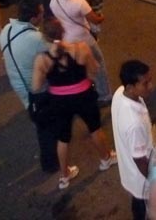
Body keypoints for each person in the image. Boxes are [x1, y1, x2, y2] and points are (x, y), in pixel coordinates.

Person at [31, 19, 117, 190]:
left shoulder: (42, 59)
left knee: (63, 138)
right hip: (84, 96)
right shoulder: (81, 48)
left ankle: (64, 176)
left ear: (44, 37)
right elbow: (94, 69)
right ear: (63, 31)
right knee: (94, 128)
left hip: (59, 102)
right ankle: (106, 159)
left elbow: (36, 86)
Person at [0, 0, 57, 173]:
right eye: (40, 12)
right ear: (33, 18)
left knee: (36, 115)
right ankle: (51, 163)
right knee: (46, 128)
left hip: (17, 83)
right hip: (35, 89)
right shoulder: (36, 38)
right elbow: (55, 52)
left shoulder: (6, 30)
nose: (43, 14)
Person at [49, 0, 112, 104]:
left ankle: (85, 89)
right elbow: (95, 20)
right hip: (84, 39)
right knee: (98, 63)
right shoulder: (79, 2)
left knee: (80, 67)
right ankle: (104, 94)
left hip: (67, 40)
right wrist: (101, 15)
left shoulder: (53, 1)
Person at [111, 60, 154, 220]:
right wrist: (155, 180)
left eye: (150, 80)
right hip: (141, 179)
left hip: (131, 174)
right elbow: (140, 160)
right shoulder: (134, 123)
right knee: (143, 207)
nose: (151, 86)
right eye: (145, 83)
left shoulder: (120, 93)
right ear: (130, 87)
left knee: (138, 202)